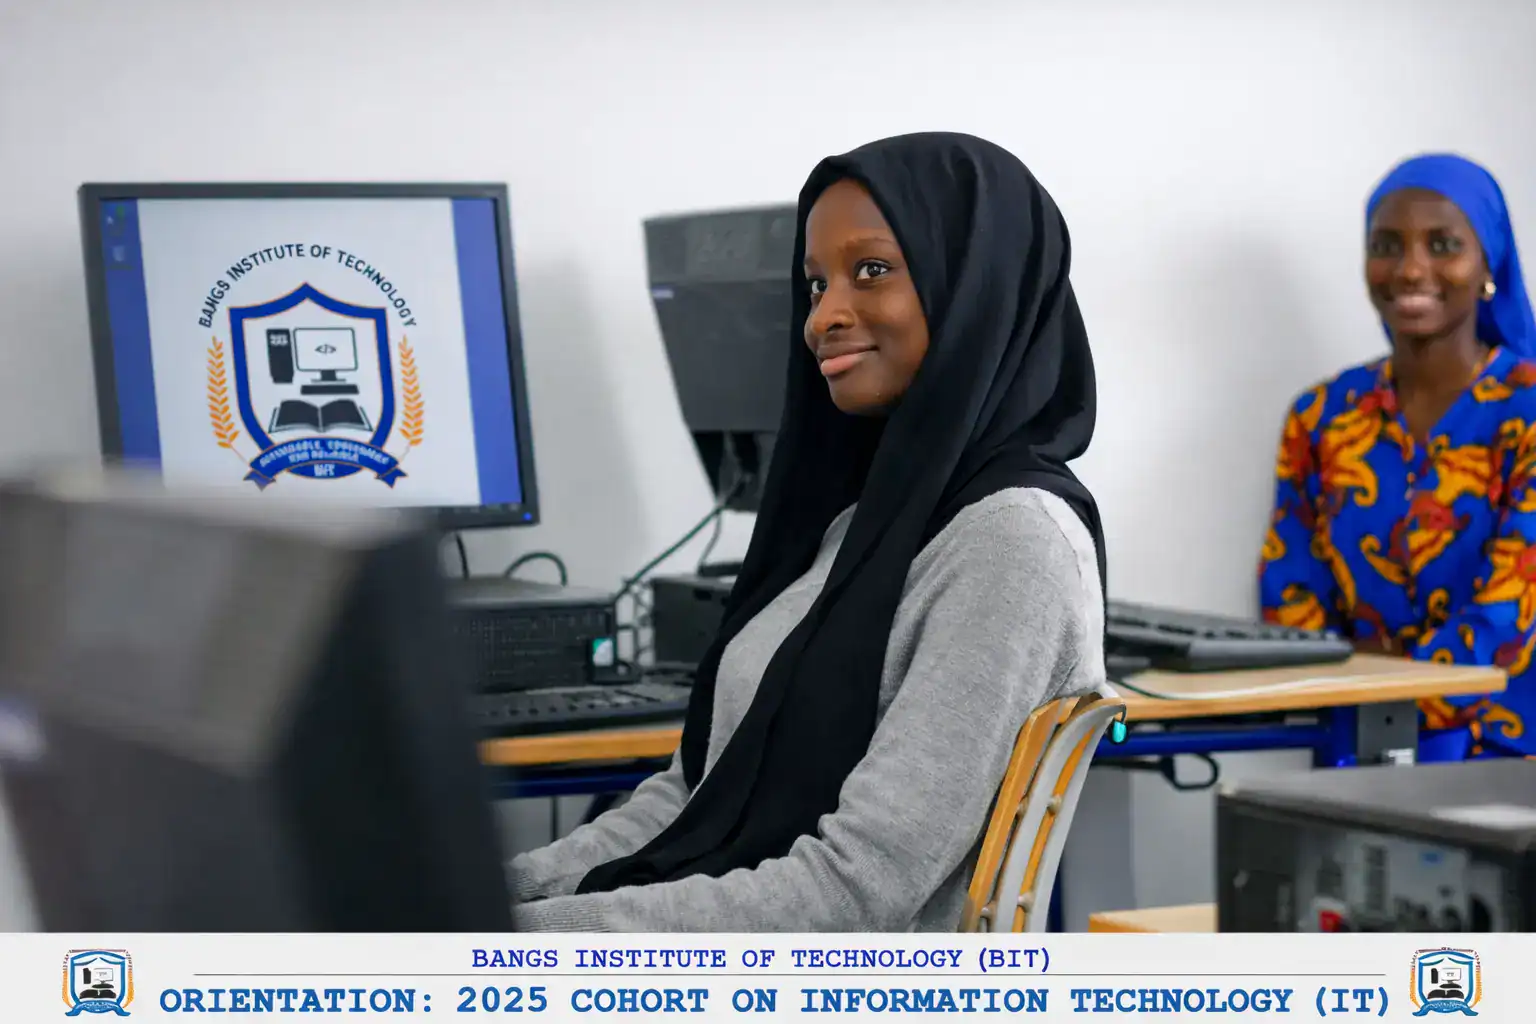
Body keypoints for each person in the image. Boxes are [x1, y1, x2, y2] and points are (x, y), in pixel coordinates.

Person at [509, 133, 1108, 931]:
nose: (823, 316)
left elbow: (854, 891)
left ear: (978, 286)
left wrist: (512, 942)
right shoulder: (862, 531)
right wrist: (482, 902)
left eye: (872, 270)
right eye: (815, 283)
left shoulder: (1008, 543)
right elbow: (690, 800)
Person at [1260, 153, 1536, 760]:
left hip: (1505, 760)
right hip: (1352, 753)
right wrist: (1357, 698)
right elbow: (1291, 601)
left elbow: (1508, 616)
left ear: (1489, 264)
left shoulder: (1527, 412)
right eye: (1386, 245)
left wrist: (1378, 687)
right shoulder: (1321, 417)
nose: (1410, 269)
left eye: (1443, 245)